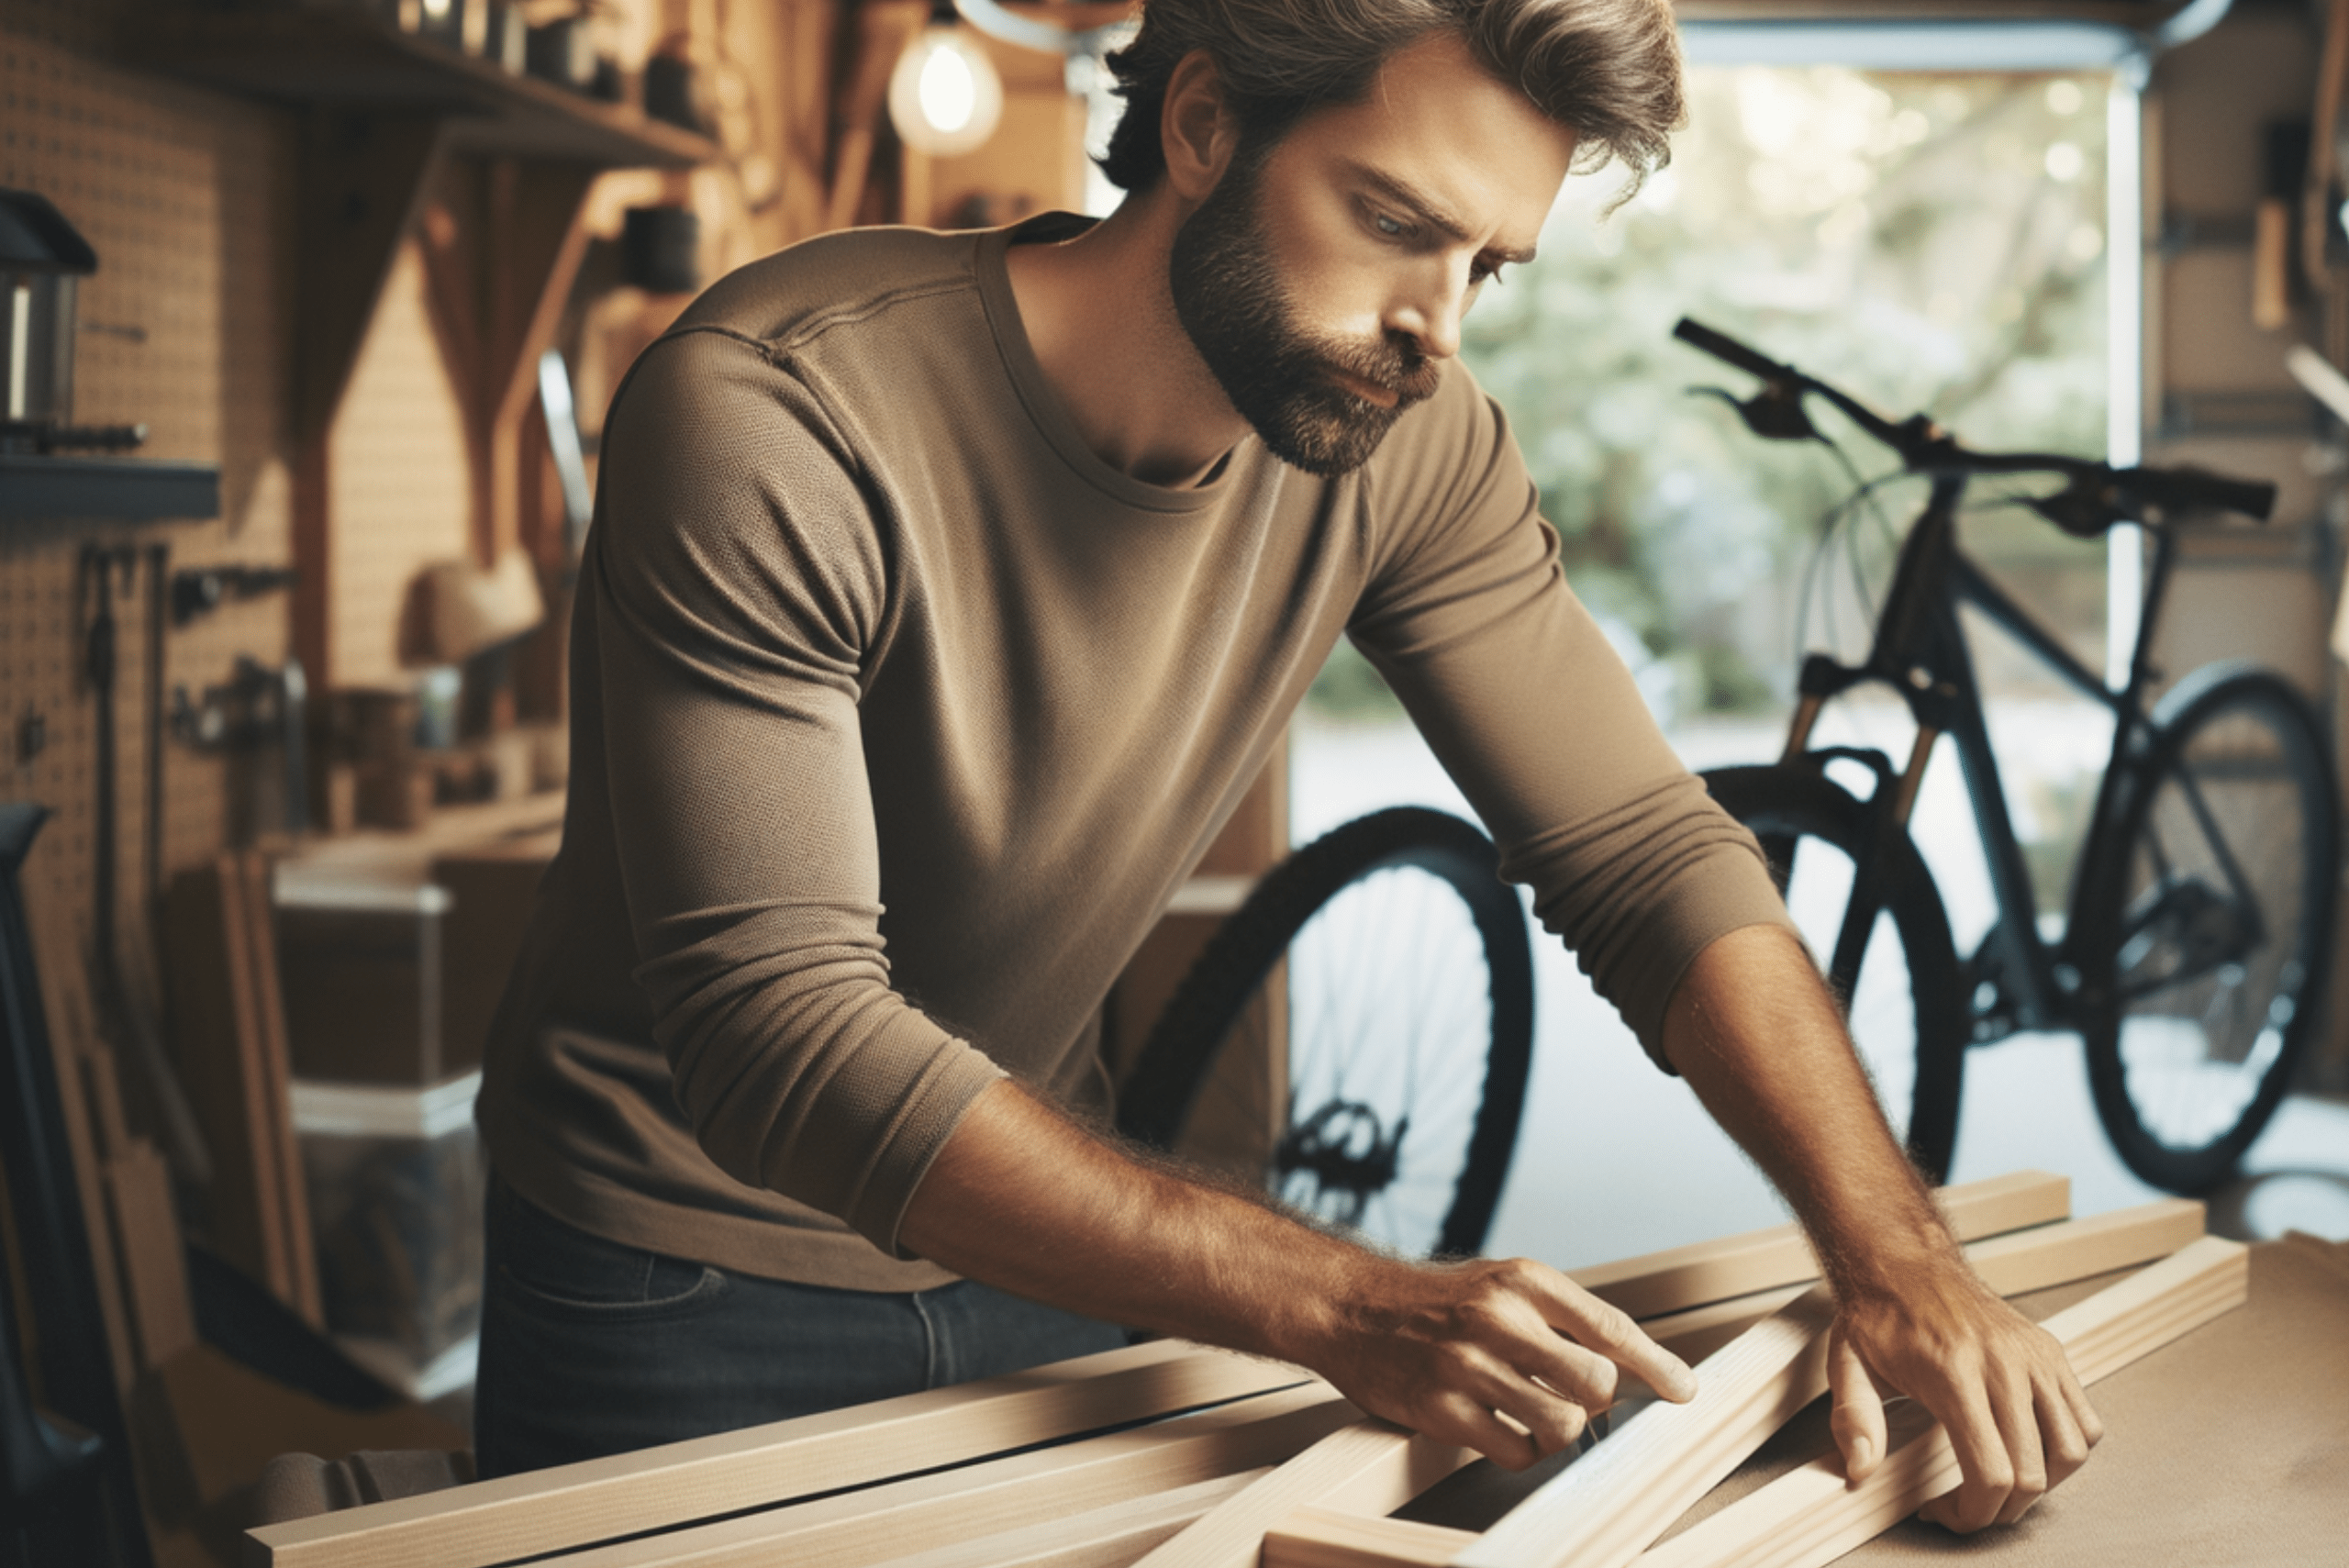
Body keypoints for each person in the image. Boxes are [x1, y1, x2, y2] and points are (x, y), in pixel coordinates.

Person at [473, 0, 2099, 1533]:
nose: (1436, 327)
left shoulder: (1405, 435)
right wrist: (1345, 1301)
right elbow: (785, 1036)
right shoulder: (779, 412)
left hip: (1054, 1252)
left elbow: (1644, 854)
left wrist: (1898, 1256)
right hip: (675, 1275)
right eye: (1397, 224)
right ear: (1201, 124)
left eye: (1489, 264)